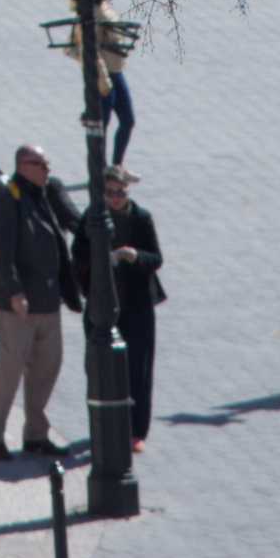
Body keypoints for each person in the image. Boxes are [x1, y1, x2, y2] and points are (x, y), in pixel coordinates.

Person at [0, 146, 75, 460]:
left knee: (47, 368)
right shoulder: (9, 198)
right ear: (23, 165)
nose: (47, 167)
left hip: (48, 299)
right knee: (9, 370)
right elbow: (2, 251)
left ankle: (36, 435)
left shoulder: (46, 192)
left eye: (47, 161)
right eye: (40, 163)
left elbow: (71, 224)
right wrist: (14, 291)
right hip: (19, 304)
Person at [105, 180, 165, 453]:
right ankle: (109, 425)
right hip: (107, 302)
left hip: (138, 303)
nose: (116, 198)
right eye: (110, 193)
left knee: (139, 368)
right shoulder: (96, 218)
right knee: (105, 366)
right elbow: (80, 255)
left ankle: (137, 430)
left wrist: (136, 255)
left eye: (121, 193)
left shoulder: (141, 218)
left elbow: (156, 258)